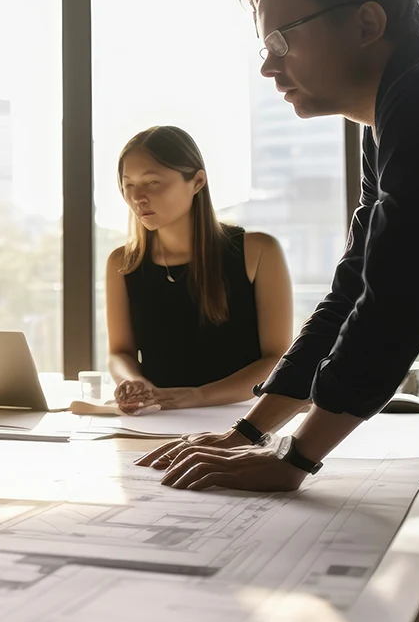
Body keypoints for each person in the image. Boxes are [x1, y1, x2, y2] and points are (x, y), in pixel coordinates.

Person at [139, 0, 419, 492]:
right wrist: (249, 433)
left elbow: (395, 300)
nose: (269, 68)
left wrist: (294, 460)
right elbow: (357, 286)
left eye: (282, 41)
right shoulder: (393, 115)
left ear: (367, 24)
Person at [108, 126, 293, 414]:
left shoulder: (259, 252)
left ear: (197, 182)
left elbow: (277, 358)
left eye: (153, 182)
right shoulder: (122, 263)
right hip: (157, 416)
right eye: (128, 184)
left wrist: (198, 396)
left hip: (243, 417)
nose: (138, 197)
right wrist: (133, 382)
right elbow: (120, 353)